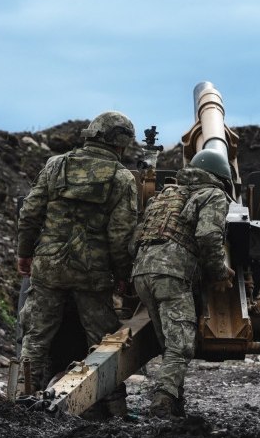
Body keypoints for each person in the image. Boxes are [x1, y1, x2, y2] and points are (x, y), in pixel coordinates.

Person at [15, 111, 139, 416]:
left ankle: (19, 401)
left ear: (91, 133)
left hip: (48, 267)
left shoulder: (56, 165)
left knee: (36, 337)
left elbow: (30, 213)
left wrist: (25, 253)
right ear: (122, 145)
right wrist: (124, 276)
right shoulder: (122, 178)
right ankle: (116, 411)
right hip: (91, 273)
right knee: (105, 344)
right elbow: (120, 235)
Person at [131, 149, 235, 418]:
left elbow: (137, 235)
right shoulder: (213, 195)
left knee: (168, 342)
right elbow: (208, 236)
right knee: (181, 345)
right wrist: (219, 273)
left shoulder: (166, 195)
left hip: (142, 272)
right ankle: (163, 401)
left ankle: (176, 401)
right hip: (172, 275)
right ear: (222, 177)